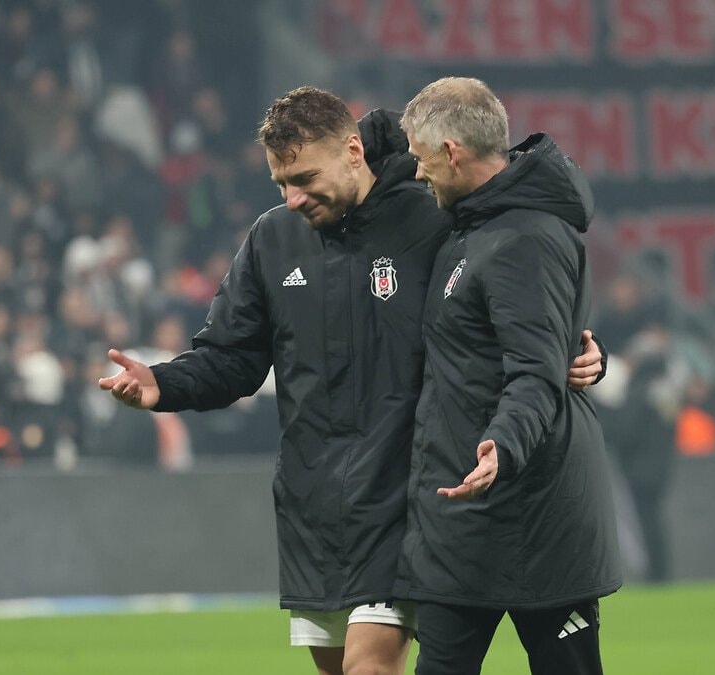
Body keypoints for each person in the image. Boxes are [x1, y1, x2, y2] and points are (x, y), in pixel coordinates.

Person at [97, 87, 604, 675]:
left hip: (405, 496)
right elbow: (233, 358)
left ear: (353, 151)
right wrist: (164, 383)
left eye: (305, 178)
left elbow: (515, 302)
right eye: (280, 183)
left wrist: (583, 352)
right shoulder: (272, 240)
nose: (292, 198)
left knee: (370, 669)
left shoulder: (431, 214)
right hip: (314, 505)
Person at [395, 77, 622, 675]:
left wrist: (504, 443)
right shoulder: (472, 227)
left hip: (536, 510)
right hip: (464, 513)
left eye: (421, 158)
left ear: (452, 152)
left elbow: (536, 370)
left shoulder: (524, 237)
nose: (416, 173)